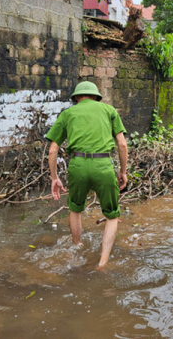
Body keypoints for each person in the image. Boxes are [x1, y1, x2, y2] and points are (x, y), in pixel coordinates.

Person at [46, 81, 128, 270]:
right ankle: (102, 262)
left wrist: (54, 178)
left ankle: (77, 249)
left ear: (76, 97)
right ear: (96, 97)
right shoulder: (109, 110)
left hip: (78, 165)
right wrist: (123, 172)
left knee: (75, 210)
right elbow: (122, 144)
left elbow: (52, 150)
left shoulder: (68, 113)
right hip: (103, 166)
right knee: (112, 215)